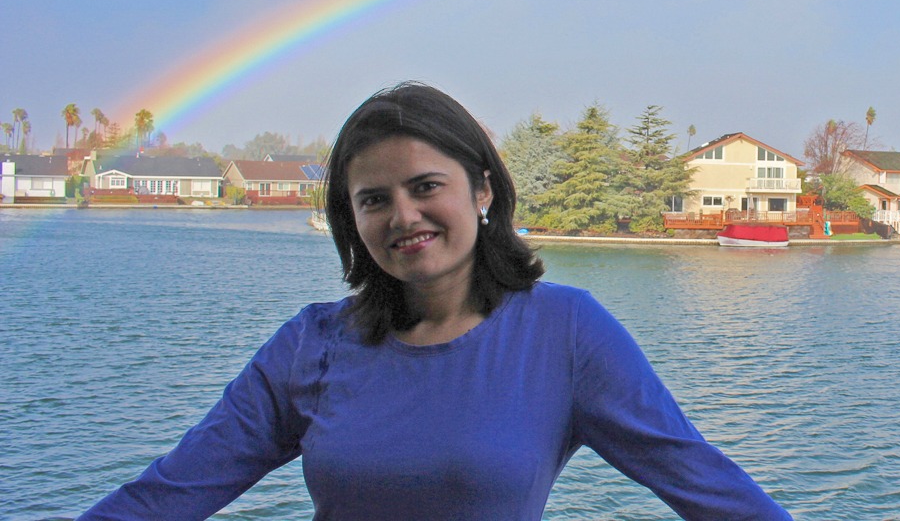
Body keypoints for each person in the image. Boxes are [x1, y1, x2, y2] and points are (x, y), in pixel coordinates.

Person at [81, 82, 790, 520]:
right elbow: (172, 492)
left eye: (426, 186)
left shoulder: (566, 334)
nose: (404, 216)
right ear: (351, 221)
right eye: (373, 200)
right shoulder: (310, 347)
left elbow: (704, 483)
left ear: (481, 190)